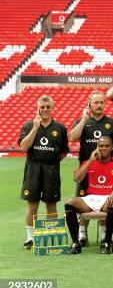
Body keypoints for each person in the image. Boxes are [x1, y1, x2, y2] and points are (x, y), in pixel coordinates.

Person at [68, 90, 113, 246]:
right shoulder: (82, 121)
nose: (99, 105)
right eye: (96, 103)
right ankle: (81, 236)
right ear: (89, 104)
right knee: (81, 204)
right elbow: (72, 137)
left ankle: (103, 236)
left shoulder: (112, 123)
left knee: (103, 201)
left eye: (101, 102)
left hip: (108, 170)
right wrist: (84, 119)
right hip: (87, 168)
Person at [18, 95, 69, 250]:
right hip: (33, 168)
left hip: (51, 170)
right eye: (42, 107)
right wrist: (35, 128)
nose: (45, 110)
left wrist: (51, 164)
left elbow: (63, 152)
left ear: (52, 108)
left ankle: (50, 236)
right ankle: (30, 238)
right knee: (32, 205)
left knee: (51, 205)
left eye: (48, 107)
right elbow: (23, 147)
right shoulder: (28, 125)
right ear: (38, 108)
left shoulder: (60, 128)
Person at [64, 137, 113, 254]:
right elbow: (77, 178)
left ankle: (106, 242)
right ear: (97, 147)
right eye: (101, 146)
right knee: (69, 203)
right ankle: (75, 243)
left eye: (107, 146)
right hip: (91, 198)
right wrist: (90, 161)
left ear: (112, 147)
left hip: (108, 198)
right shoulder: (89, 162)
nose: (104, 148)